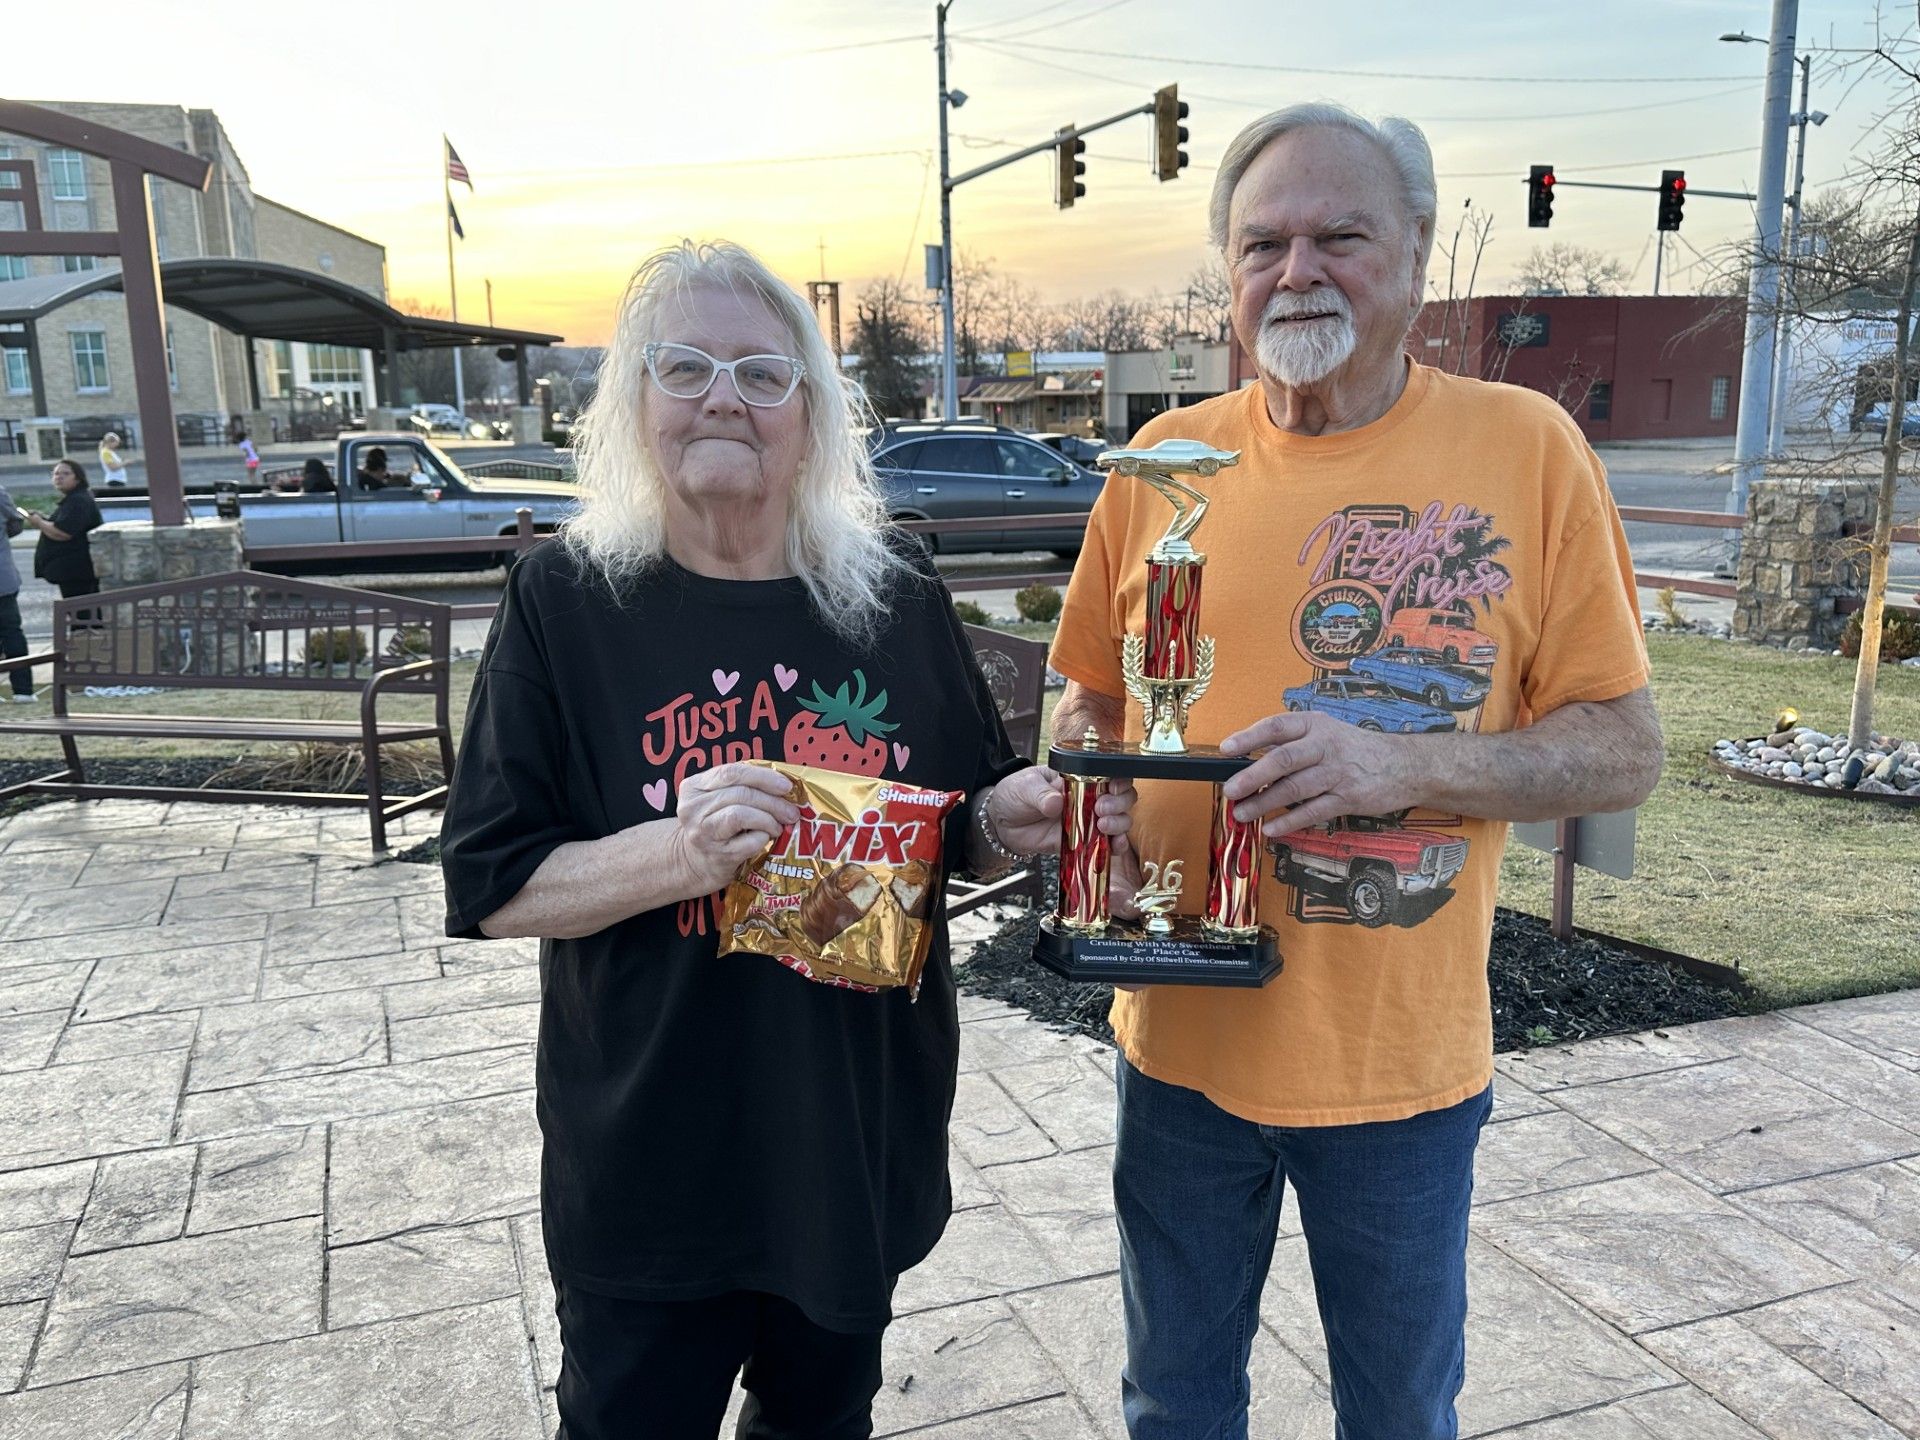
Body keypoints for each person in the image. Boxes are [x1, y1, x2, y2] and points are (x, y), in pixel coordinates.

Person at [438, 239, 1133, 1440]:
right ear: (634, 402)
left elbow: (955, 826)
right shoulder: (565, 601)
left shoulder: (892, 592)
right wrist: (679, 851)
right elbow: (494, 886)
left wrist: (1005, 822)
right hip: (650, 1162)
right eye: (686, 365)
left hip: (847, 1146)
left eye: (765, 375)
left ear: (812, 417)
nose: (723, 395)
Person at [1048, 103, 1662, 1440]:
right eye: (1262, 241)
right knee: (1174, 1402)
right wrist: (1079, 804)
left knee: (1397, 1413)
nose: (1299, 270)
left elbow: (1624, 749)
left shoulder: (1525, 448)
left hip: (1396, 1071)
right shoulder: (1162, 464)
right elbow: (1090, 692)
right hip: (1178, 1047)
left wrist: (1393, 761)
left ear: (1419, 254)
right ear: (1228, 270)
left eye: (1343, 234)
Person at [23, 458, 103, 623]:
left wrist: (39, 522)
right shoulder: (73, 499)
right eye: (56, 474)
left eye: (65, 473)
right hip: (71, 572)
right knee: (79, 616)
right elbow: (61, 525)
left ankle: (87, 646)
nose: (59, 477)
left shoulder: (78, 500)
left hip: (77, 573)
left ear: (78, 478)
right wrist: (44, 520)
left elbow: (63, 532)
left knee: (83, 618)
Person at [0, 481, 32, 701]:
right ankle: (22, 690)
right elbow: (16, 522)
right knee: (12, 632)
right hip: (3, 579)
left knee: (12, 633)